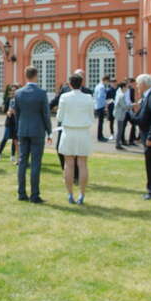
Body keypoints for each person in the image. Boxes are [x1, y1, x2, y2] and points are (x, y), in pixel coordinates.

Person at [14, 66, 51, 204]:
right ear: (36, 76)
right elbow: (46, 114)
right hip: (37, 130)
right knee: (36, 163)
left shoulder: (19, 93)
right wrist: (49, 130)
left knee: (22, 162)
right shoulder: (41, 93)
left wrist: (19, 129)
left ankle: (21, 193)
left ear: (26, 76)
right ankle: (34, 195)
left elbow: (17, 114)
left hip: (23, 129)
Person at [57, 74, 94, 205]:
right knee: (83, 164)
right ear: (81, 83)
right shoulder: (88, 97)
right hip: (82, 131)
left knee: (69, 164)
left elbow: (59, 117)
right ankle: (81, 195)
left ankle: (70, 194)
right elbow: (91, 116)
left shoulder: (65, 97)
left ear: (70, 84)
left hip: (69, 131)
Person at [0, 83, 19, 162]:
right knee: (5, 138)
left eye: (14, 90)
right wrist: (7, 111)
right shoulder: (8, 99)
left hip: (17, 122)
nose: (13, 92)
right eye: (11, 90)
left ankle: (12, 156)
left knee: (15, 139)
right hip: (9, 121)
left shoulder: (19, 99)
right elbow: (4, 110)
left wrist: (15, 112)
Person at [112, 81, 130, 150]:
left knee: (120, 130)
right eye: (126, 87)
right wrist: (132, 105)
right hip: (120, 114)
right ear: (123, 87)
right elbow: (124, 106)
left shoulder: (119, 93)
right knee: (120, 130)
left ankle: (118, 143)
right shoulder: (121, 95)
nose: (127, 88)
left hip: (119, 114)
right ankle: (117, 144)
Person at [94, 75, 112, 142]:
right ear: (105, 80)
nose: (108, 83)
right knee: (100, 123)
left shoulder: (98, 86)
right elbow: (100, 97)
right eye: (108, 81)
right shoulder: (101, 87)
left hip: (97, 105)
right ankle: (100, 137)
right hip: (100, 106)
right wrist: (106, 103)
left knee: (100, 122)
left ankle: (100, 136)